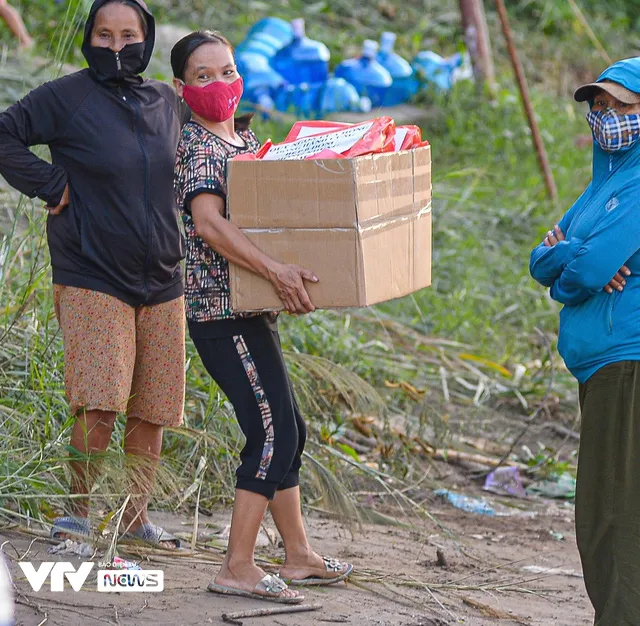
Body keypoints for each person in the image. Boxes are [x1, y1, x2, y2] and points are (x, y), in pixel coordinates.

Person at [171, 30, 353, 603]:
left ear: (241, 77)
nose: (218, 84)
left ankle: (297, 556)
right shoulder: (198, 148)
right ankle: (237, 565)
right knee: (271, 434)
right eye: (203, 76)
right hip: (220, 312)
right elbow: (209, 224)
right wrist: (275, 269)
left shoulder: (244, 143)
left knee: (289, 430)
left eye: (226, 72)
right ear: (183, 89)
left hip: (252, 310)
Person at [0, 0, 187, 549]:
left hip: (162, 275)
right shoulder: (67, 96)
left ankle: (134, 519)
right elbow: (4, 134)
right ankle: (76, 516)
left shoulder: (165, 101)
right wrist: (50, 184)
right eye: (103, 35)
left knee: (154, 406)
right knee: (100, 401)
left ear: (146, 39)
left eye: (128, 35)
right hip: (92, 271)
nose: (115, 47)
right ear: (89, 38)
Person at [530, 57, 640, 625]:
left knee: (612, 514)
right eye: (599, 105)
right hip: (602, 363)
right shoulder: (605, 182)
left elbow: (587, 270)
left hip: (627, 359)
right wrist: (570, 255)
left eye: (622, 105)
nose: (606, 116)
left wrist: (570, 258)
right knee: (608, 509)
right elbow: (539, 258)